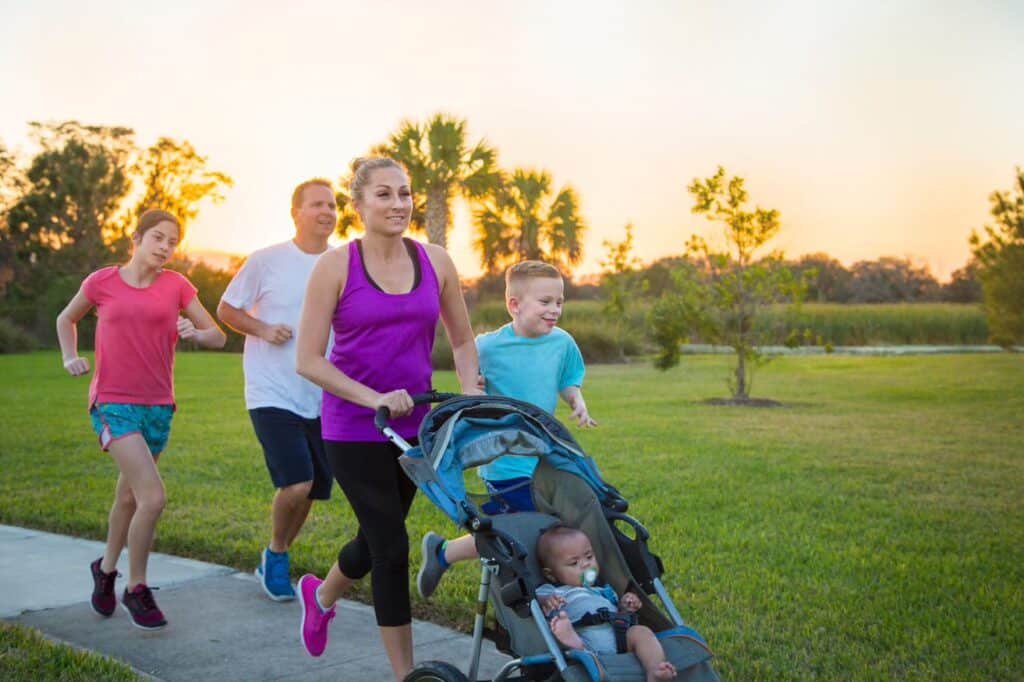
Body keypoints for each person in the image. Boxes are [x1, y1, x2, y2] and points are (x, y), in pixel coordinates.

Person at [294, 157, 481, 680]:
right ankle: (406, 676)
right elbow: (308, 359)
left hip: (415, 428)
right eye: (384, 195)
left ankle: (323, 593)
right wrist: (373, 396)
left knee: (378, 536)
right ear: (359, 206)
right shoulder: (334, 267)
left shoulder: (436, 261)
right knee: (392, 547)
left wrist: (468, 394)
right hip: (353, 428)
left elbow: (463, 340)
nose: (398, 204)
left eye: (404, 193)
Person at [56, 208, 227, 630]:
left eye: (172, 242)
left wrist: (196, 333)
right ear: (136, 237)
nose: (165, 248)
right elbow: (67, 318)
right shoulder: (102, 282)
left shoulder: (177, 287)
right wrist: (70, 356)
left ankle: (106, 571)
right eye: (158, 238)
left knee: (129, 498)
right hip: (113, 402)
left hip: (158, 406)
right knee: (152, 498)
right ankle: (137, 587)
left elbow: (218, 336)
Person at [416, 260, 596, 600]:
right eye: (545, 302)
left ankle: (443, 552)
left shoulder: (562, 343)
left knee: (532, 532)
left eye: (559, 301)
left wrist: (577, 401)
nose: (554, 310)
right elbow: (468, 374)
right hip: (504, 462)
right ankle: (451, 558)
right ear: (514, 305)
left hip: (545, 458)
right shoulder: (487, 346)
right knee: (519, 535)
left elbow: (568, 380)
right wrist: (474, 384)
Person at [217, 178, 337, 601]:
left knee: (314, 488)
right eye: (318, 204)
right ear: (296, 212)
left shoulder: (343, 263)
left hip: (323, 394)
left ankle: (276, 552)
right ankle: (278, 554)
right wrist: (263, 328)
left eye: (333, 205)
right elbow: (227, 309)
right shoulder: (266, 261)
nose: (328, 212)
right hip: (271, 391)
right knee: (298, 482)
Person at [536, 525, 677, 681]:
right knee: (568, 633)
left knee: (641, 632)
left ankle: (655, 669)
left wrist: (625, 606)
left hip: (619, 638)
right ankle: (576, 647)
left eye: (589, 557)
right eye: (574, 563)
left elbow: (617, 614)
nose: (585, 565)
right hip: (585, 638)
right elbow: (536, 599)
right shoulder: (555, 591)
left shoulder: (603, 591)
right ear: (551, 575)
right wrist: (546, 600)